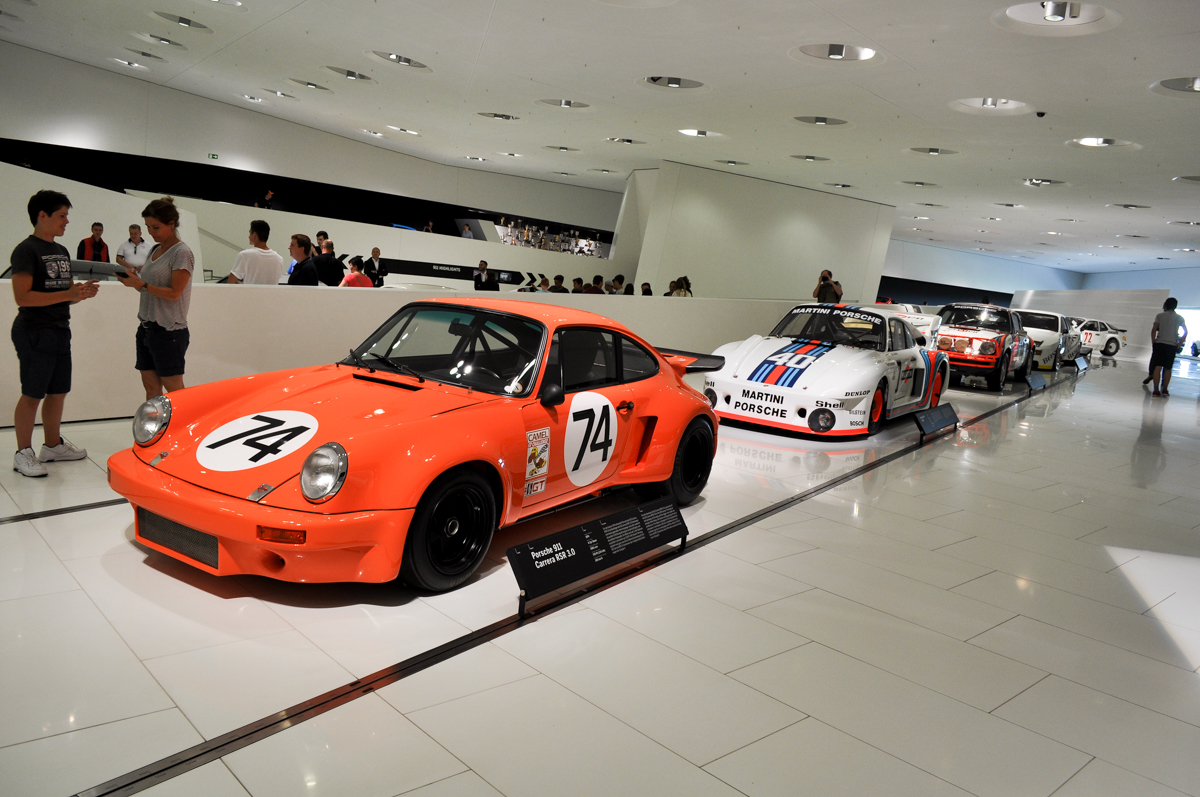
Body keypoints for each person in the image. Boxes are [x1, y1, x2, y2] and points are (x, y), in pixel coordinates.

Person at [10, 190, 99, 477]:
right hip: (34, 331)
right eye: (62, 215)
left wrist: (79, 294)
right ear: (42, 215)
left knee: (58, 391)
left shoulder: (61, 251)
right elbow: (23, 297)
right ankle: (23, 453)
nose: (66, 221)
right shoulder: (26, 250)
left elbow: (65, 293)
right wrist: (69, 294)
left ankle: (52, 446)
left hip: (60, 329)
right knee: (32, 393)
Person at [114, 197, 194, 401]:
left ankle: (186, 422)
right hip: (146, 328)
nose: (151, 232)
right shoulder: (154, 250)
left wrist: (142, 285)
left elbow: (174, 293)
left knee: (175, 391)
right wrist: (134, 283)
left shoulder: (182, 253)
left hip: (169, 331)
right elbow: (148, 289)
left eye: (155, 227)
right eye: (148, 227)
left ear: (171, 224)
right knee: (150, 386)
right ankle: (154, 423)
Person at [1148, 297, 1187, 397]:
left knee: (1158, 367)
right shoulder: (1179, 318)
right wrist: (1179, 344)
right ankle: (1165, 389)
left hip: (1160, 344)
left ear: (1165, 305)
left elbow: (1154, 329)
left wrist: (1153, 342)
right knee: (1168, 368)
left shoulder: (1160, 316)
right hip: (1172, 345)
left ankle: (1156, 390)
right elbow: (1185, 332)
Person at [227, 219, 285, 285]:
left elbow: (231, 282)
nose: (248, 236)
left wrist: (246, 286)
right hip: (271, 292)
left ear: (254, 235)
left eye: (250, 233)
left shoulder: (244, 255)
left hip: (250, 292)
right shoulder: (279, 259)